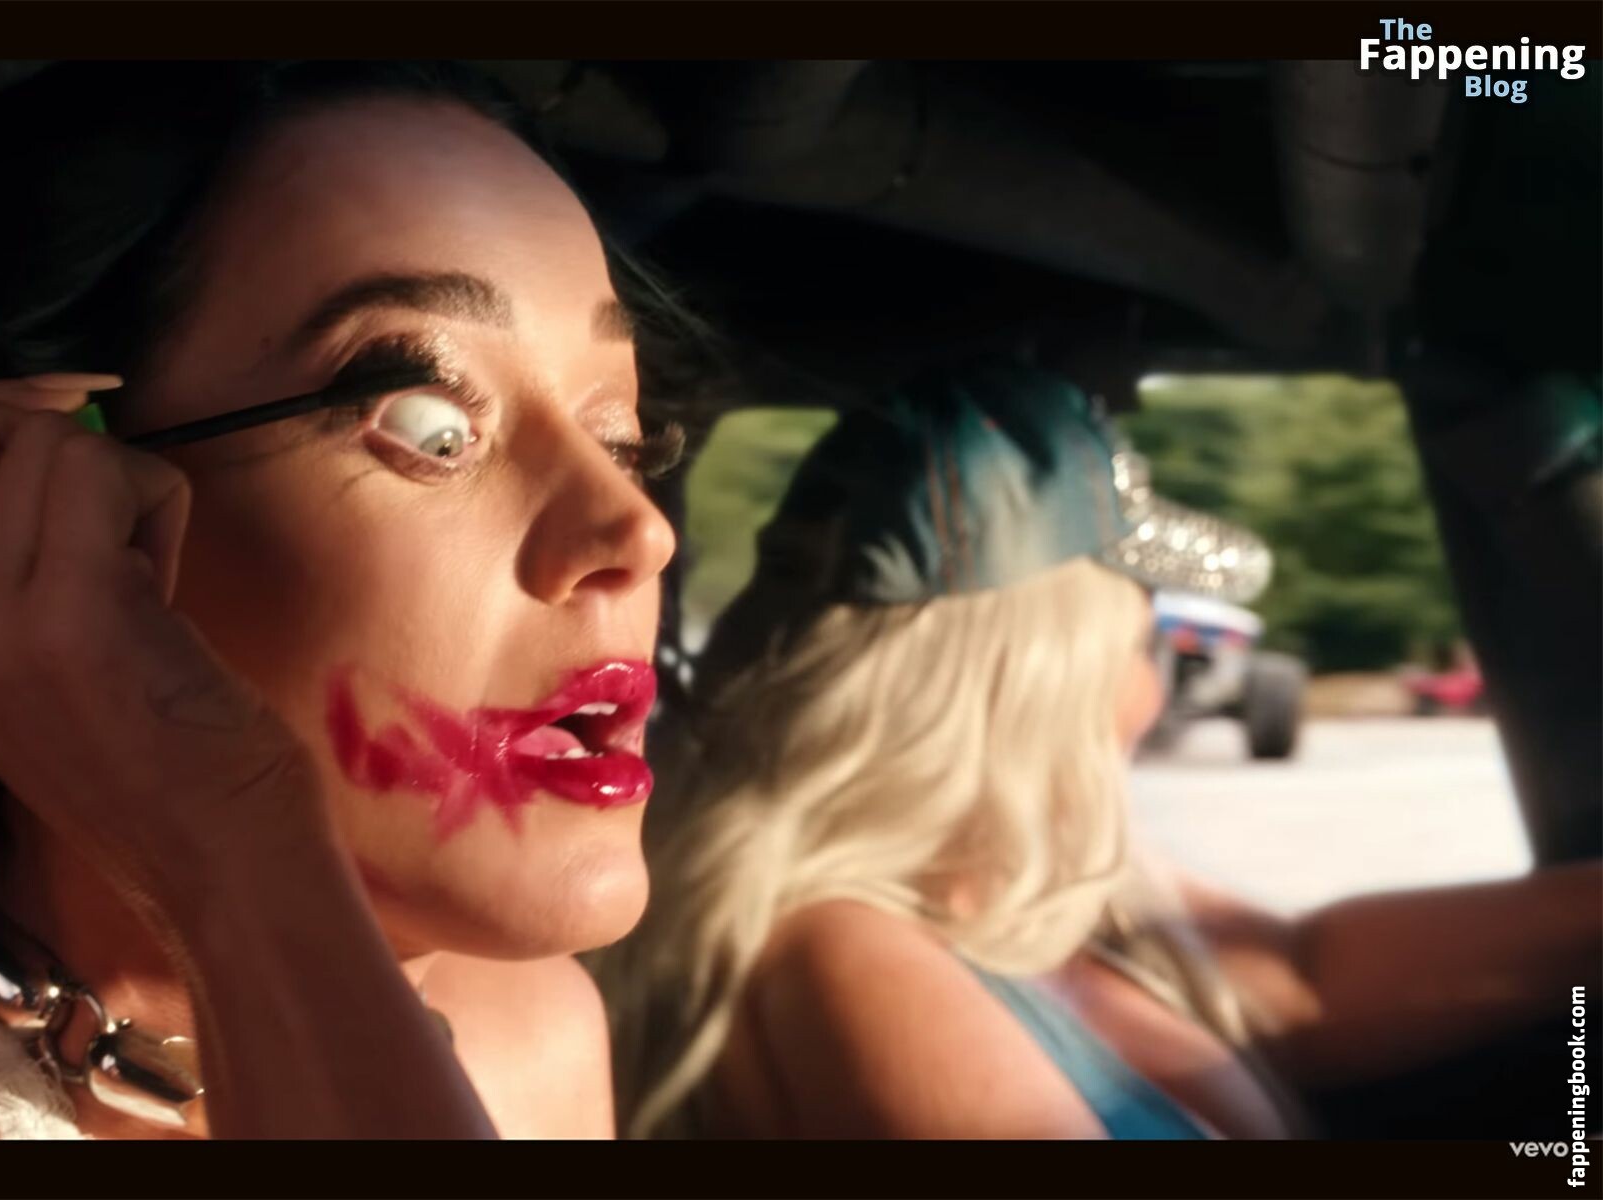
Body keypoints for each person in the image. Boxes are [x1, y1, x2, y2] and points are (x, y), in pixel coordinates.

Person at [0, 61, 693, 1139]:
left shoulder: (537, 1035)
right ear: (20, 502)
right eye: (431, 428)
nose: (639, 532)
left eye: (620, 439)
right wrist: (229, 842)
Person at [599, 362, 1602, 1139]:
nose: (1153, 688)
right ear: (1041, 684)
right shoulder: (845, 965)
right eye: (1137, 640)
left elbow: (1299, 977)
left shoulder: (1010, 879)